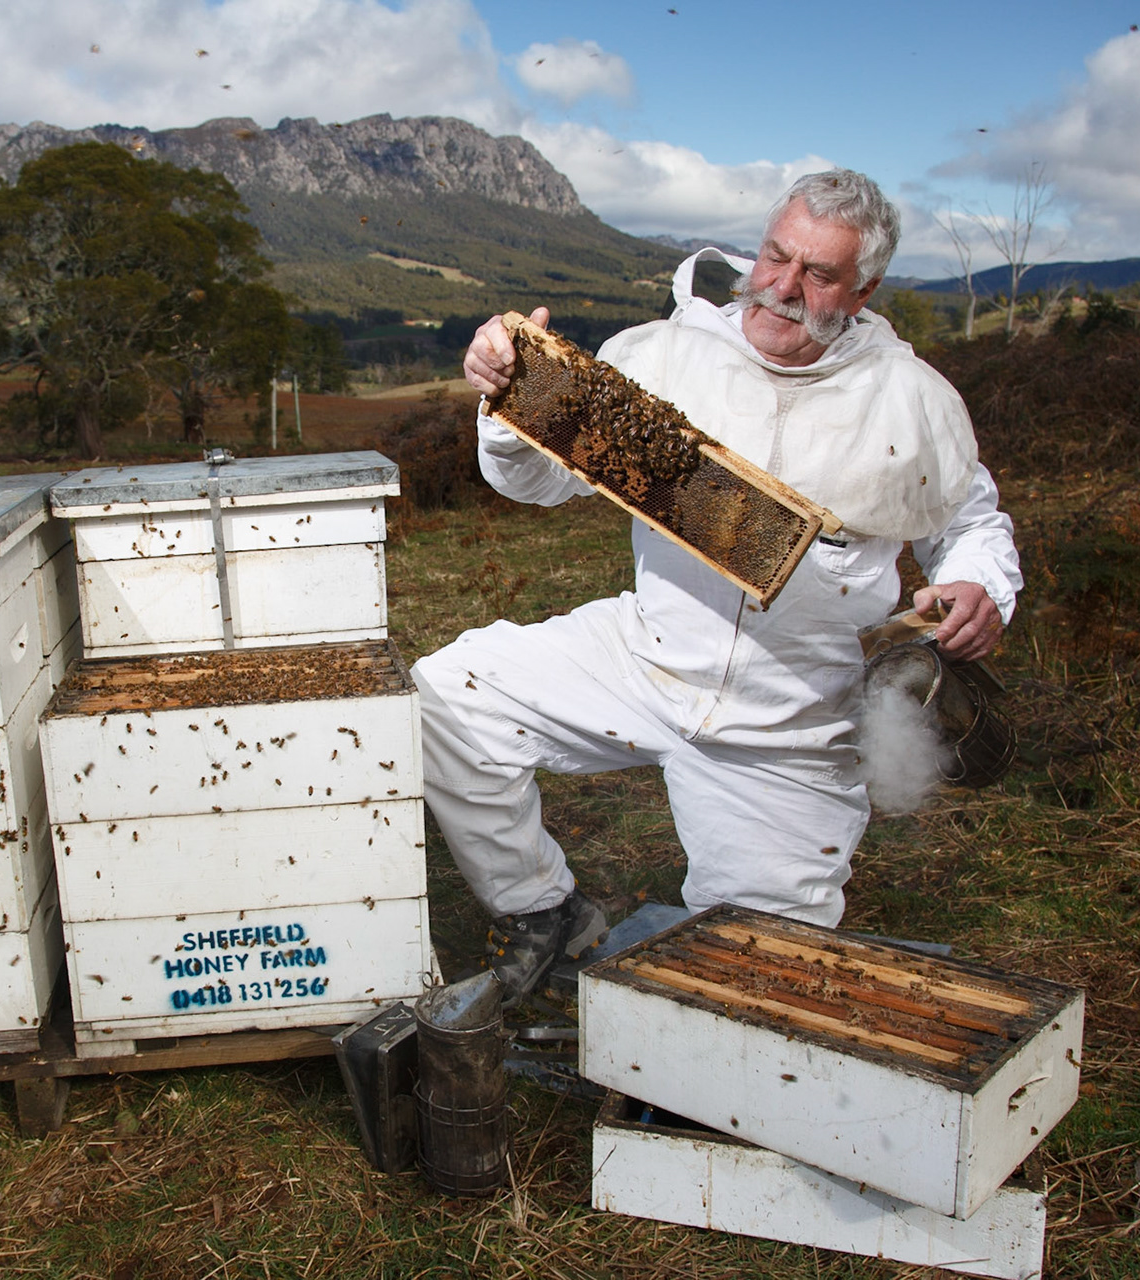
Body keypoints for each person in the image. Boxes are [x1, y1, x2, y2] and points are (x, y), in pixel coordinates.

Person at [418, 169, 1022, 1005]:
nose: (781, 288)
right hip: (647, 655)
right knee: (452, 693)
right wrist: (509, 391)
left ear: (863, 290)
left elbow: (971, 521)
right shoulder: (667, 354)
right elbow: (535, 482)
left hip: (792, 723)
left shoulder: (910, 401)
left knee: (754, 985)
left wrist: (976, 585)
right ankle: (542, 913)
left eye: (819, 275)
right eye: (776, 257)